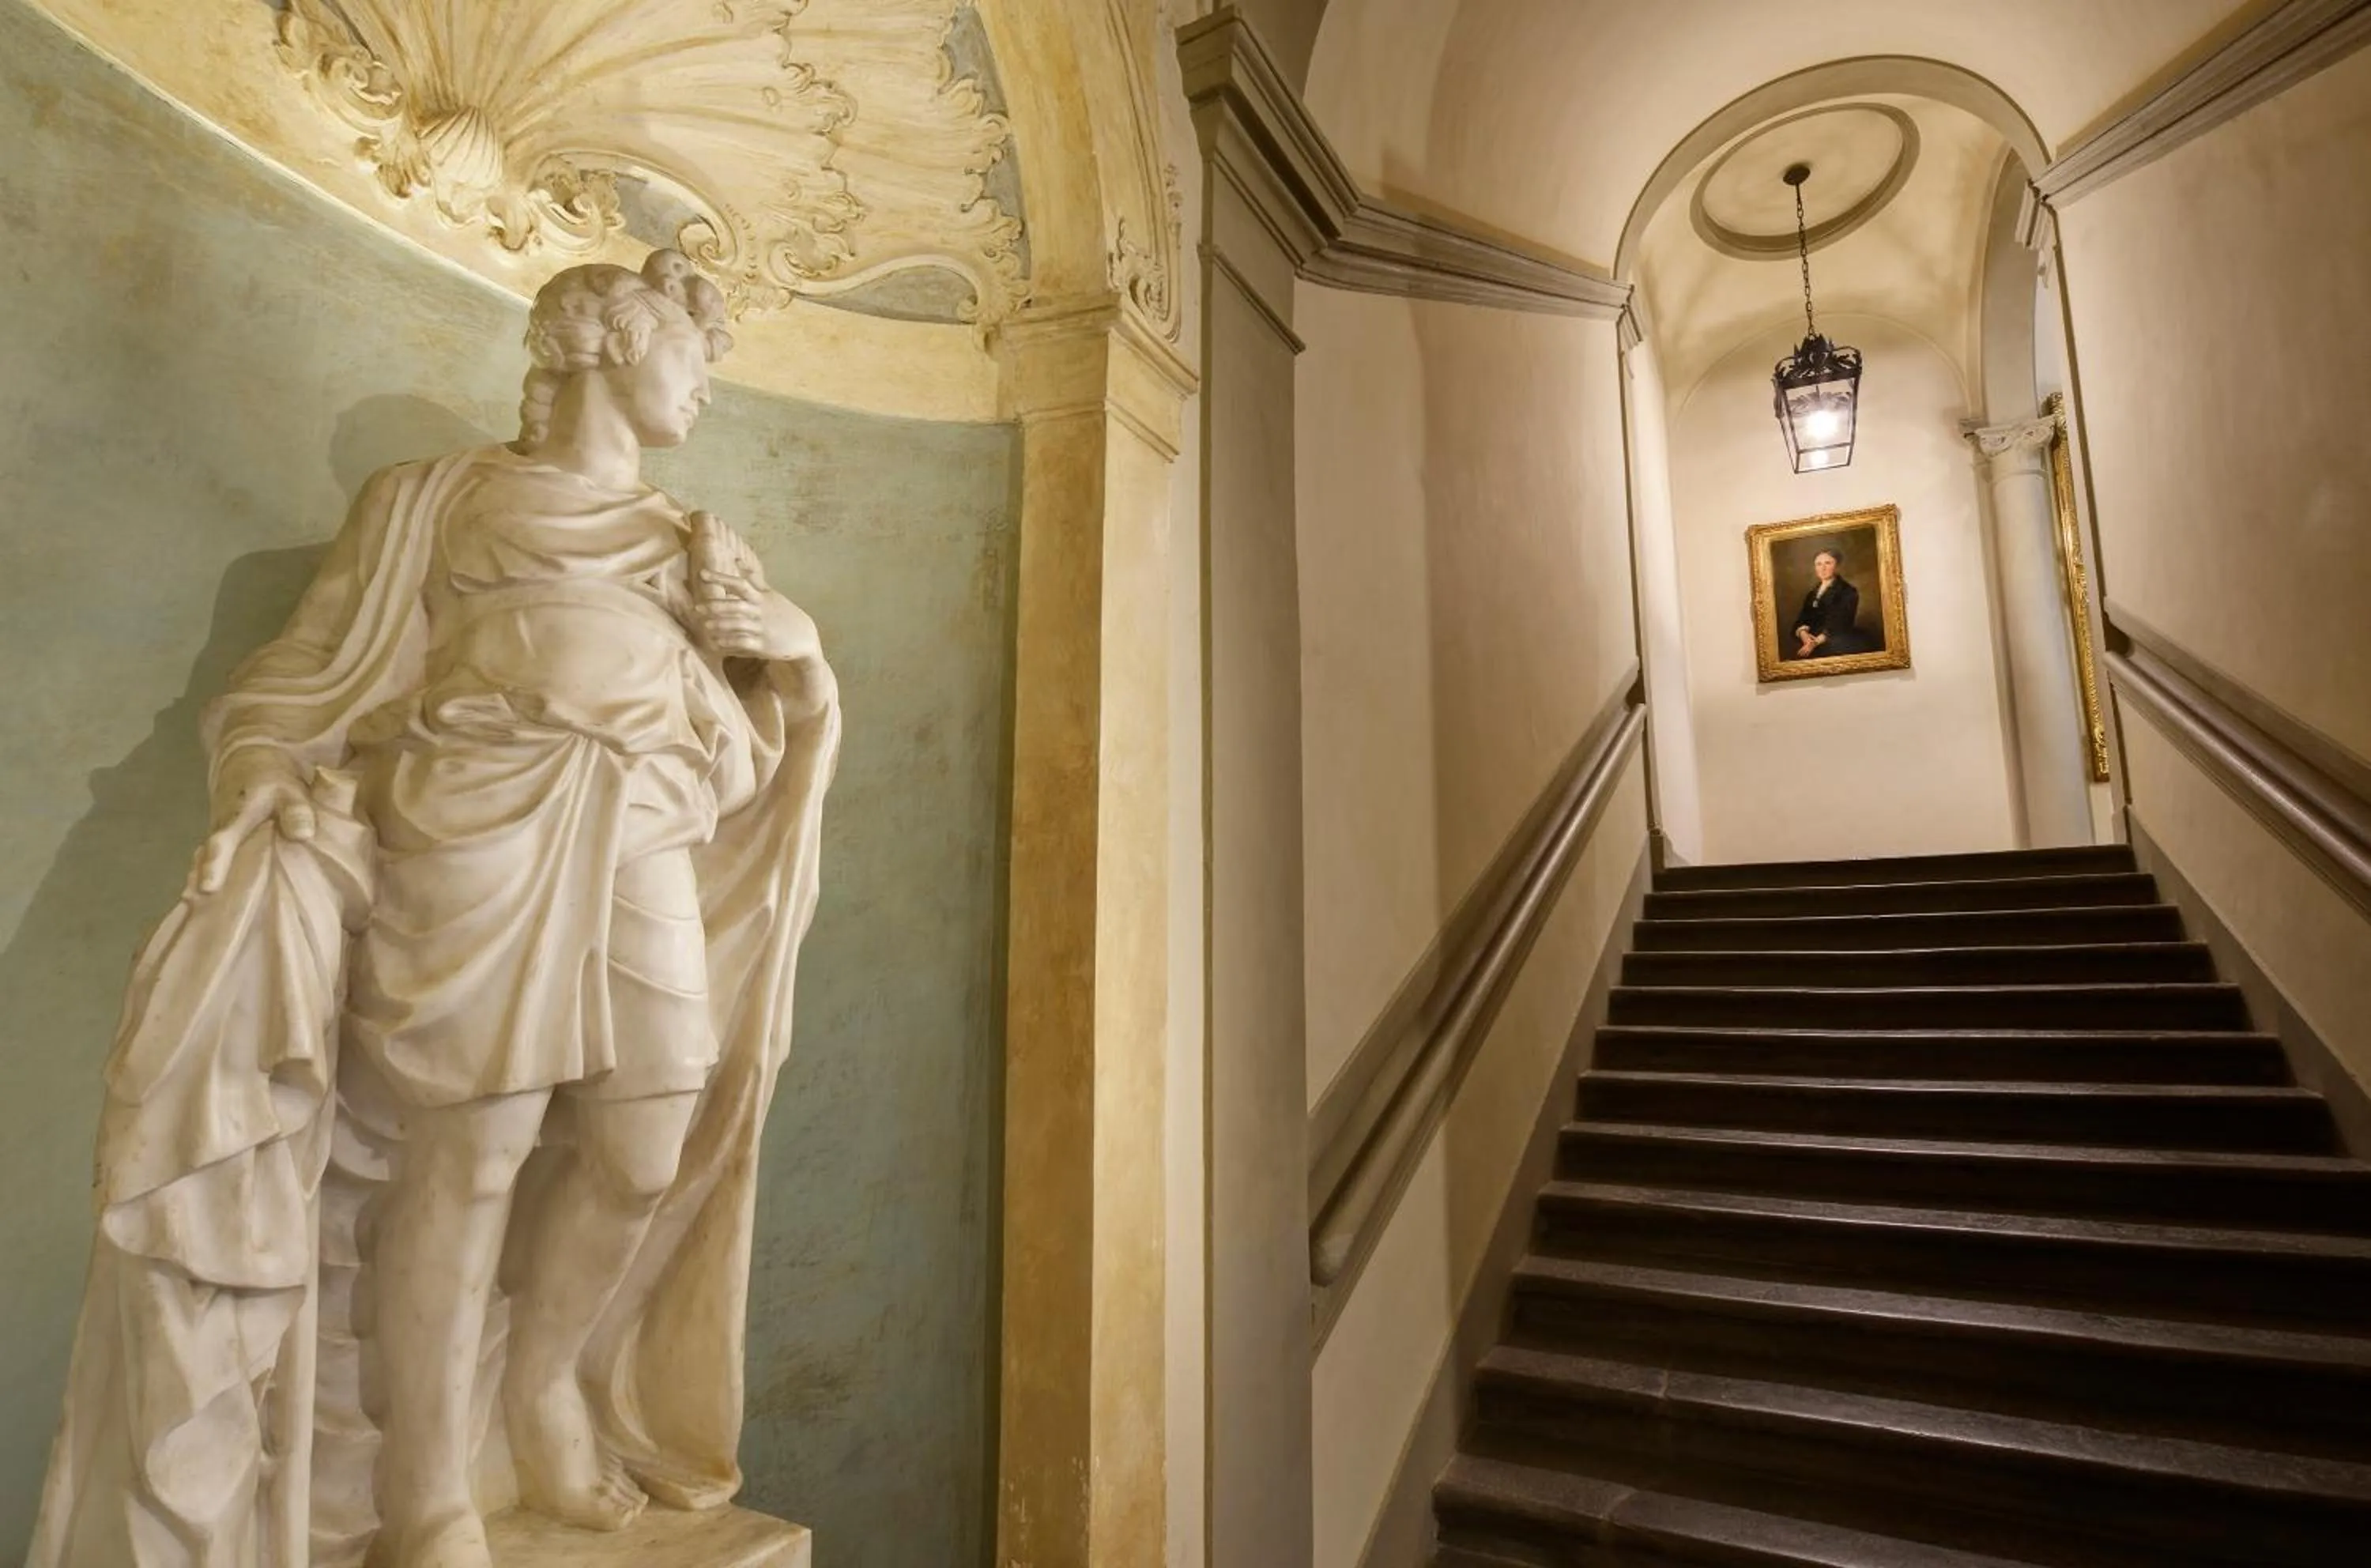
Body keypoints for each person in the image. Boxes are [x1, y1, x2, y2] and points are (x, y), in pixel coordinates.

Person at [32, 250, 840, 1568]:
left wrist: (797, 659)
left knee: (647, 1139)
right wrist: (257, 778)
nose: (704, 389)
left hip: (638, 831)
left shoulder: (695, 545)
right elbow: (308, 674)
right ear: (613, 346)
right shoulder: (434, 499)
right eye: (692, 357)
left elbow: (749, 757)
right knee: (469, 1151)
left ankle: (541, 1385)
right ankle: (429, 1496)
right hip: (470, 817)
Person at [1785, 545, 1873, 659]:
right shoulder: (1812, 593)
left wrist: (1815, 642)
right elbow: (1802, 618)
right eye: (1819, 564)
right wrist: (1804, 635)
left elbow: (1842, 623)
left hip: (1835, 644)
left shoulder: (1848, 591)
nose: (1823, 568)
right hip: (1810, 643)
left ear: (1837, 566)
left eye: (1828, 563)